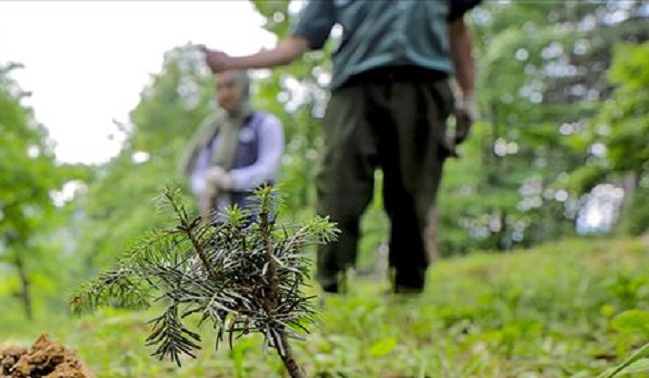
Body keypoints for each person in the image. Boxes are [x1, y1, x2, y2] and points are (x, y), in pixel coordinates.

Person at [205, 0, 482, 294]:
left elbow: (457, 29)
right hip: (354, 89)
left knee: (414, 191)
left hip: (424, 84)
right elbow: (294, 45)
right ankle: (332, 285)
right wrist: (232, 62)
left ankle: (408, 288)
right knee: (339, 187)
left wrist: (469, 96)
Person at [181, 70, 284, 224]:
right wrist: (207, 184)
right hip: (215, 221)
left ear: (244, 87)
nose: (224, 93)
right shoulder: (211, 130)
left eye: (230, 85)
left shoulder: (265, 123)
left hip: (256, 221)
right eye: (219, 87)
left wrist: (230, 180)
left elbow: (268, 169)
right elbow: (196, 173)